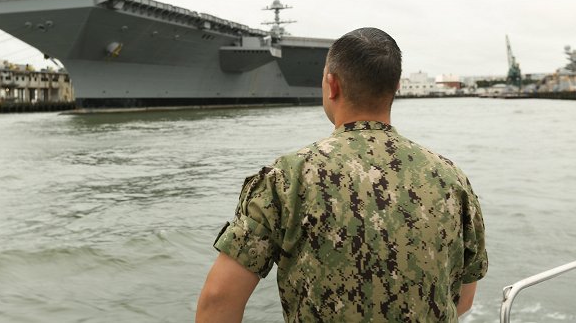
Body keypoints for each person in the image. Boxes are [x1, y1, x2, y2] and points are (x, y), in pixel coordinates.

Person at [196, 27, 488, 322]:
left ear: (331, 85)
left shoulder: (285, 178)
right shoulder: (451, 179)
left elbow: (219, 300)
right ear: (396, 87)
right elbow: (463, 300)